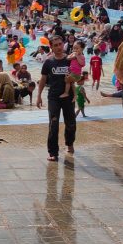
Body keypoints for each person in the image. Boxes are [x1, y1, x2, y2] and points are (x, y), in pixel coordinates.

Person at [37, 34, 77, 162]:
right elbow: (43, 79)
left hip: (68, 96)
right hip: (53, 97)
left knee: (70, 123)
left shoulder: (70, 59)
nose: (59, 47)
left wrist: (74, 78)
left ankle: (69, 143)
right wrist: (38, 96)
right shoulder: (48, 62)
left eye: (60, 44)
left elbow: (79, 76)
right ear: (51, 47)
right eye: (56, 45)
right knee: (53, 124)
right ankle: (53, 152)